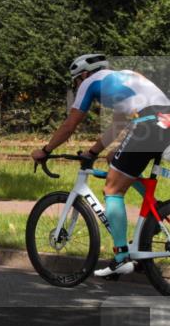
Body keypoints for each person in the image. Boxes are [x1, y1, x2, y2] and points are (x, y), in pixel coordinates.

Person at [31, 54, 170, 278]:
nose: (77, 86)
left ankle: (121, 257)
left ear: (84, 75)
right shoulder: (122, 79)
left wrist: (46, 150)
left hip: (147, 124)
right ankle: (156, 217)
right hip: (164, 121)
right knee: (113, 160)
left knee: (113, 189)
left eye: (76, 81)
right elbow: (118, 125)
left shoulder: (90, 83)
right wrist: (94, 152)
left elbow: (70, 124)